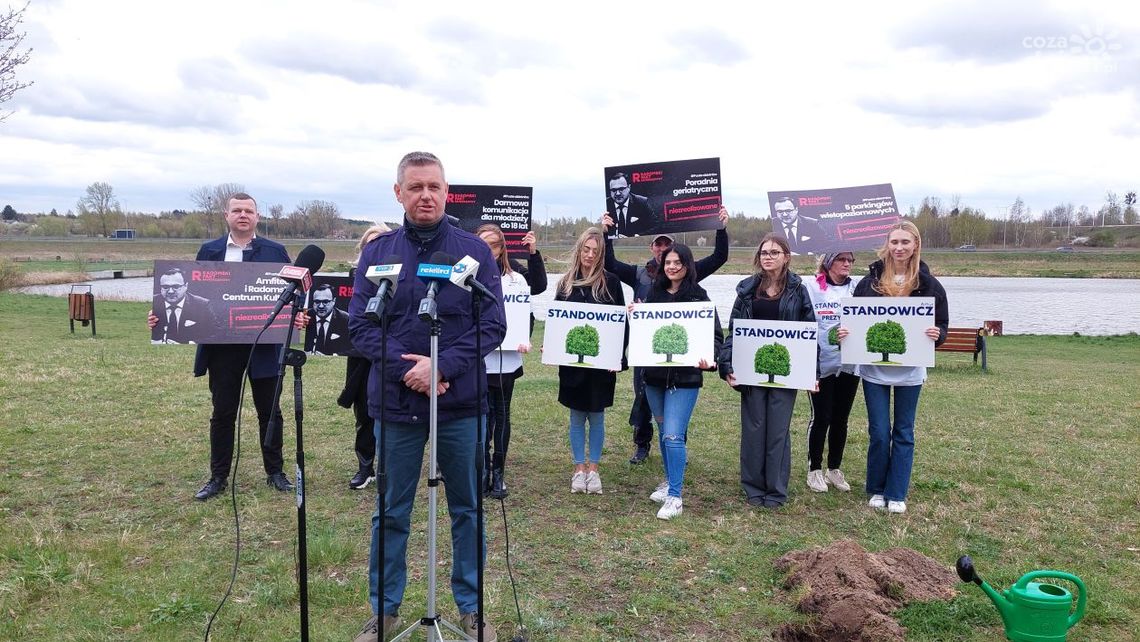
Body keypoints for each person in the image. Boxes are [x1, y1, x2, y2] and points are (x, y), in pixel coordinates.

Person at [348, 152, 504, 642]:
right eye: (415, 187)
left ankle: (471, 608)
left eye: (433, 187)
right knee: (391, 511)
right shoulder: (377, 253)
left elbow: (493, 323)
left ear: (446, 191)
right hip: (396, 404)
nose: (425, 196)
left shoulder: (472, 251)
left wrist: (443, 367)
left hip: (460, 403)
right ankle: (385, 612)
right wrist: (411, 371)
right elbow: (360, 327)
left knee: (467, 508)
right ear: (399, 192)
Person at [146, 193, 301, 501]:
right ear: (226, 215)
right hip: (222, 348)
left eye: (249, 211)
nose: (243, 215)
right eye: (237, 210)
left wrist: (299, 316)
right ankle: (218, 476)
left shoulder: (276, 251)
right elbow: (193, 296)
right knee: (222, 412)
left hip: (264, 344)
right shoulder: (210, 250)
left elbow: (292, 294)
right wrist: (159, 316)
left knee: (270, 412)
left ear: (257, 216)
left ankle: (275, 472)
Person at [602, 206, 729, 464]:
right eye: (658, 246)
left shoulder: (686, 272)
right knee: (643, 399)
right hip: (648, 354)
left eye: (667, 246)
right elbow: (610, 264)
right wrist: (607, 234)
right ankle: (642, 444)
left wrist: (721, 228)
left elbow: (718, 257)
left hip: (682, 360)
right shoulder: (639, 273)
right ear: (652, 249)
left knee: (674, 411)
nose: (663, 251)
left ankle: (676, 445)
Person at [836, 221, 948, 515]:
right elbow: (851, 321)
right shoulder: (868, 283)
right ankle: (876, 488)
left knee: (903, 432)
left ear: (915, 245)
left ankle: (896, 492)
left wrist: (938, 335)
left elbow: (942, 323)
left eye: (905, 242)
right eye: (894, 242)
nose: (899, 248)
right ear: (887, 244)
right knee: (879, 432)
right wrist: (844, 333)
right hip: (873, 371)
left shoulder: (929, 284)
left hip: (910, 371)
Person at [718, 233, 816, 508]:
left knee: (778, 431)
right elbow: (733, 331)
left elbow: (810, 332)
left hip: (787, 372)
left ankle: (775, 490)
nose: (768, 257)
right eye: (764, 252)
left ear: (786, 257)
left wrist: (813, 372)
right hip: (750, 372)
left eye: (774, 252)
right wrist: (726, 366)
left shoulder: (798, 290)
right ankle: (752, 488)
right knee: (753, 429)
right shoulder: (746, 290)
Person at [639, 243, 722, 519]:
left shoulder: (699, 297)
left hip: (684, 379)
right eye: (668, 262)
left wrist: (710, 360)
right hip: (654, 377)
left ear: (687, 265)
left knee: (674, 434)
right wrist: (635, 316)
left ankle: (675, 496)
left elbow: (716, 338)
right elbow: (645, 333)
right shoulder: (655, 293)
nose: (672, 267)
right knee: (662, 429)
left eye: (677, 262)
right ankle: (668, 481)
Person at [476, 223, 548, 499]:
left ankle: (499, 472)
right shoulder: (468, 272)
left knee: (502, 413)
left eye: (494, 244)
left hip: (507, 358)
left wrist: (533, 253)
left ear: (502, 247)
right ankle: (481, 470)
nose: (489, 249)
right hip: (479, 357)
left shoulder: (515, 275)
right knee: (481, 416)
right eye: (483, 243)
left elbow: (539, 286)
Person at [555, 226, 626, 495]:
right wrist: (552, 347)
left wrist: (618, 356)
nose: (589, 255)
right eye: (586, 249)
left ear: (601, 254)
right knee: (576, 416)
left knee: (596, 416)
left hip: (602, 365)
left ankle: (593, 470)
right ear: (579, 249)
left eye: (595, 251)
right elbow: (558, 322)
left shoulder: (611, 282)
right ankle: (577, 469)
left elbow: (622, 322)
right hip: (573, 363)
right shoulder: (565, 283)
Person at [337, 224, 391, 490]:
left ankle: (389, 466)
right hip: (360, 354)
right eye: (370, 243)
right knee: (363, 411)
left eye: (380, 241)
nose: (374, 247)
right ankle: (365, 465)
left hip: (391, 350)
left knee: (390, 410)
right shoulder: (354, 275)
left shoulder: (401, 276)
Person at [804, 251, 861, 493]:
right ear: (828, 262)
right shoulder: (811, 286)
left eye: (850, 260)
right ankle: (814, 469)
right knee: (822, 417)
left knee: (841, 419)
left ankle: (834, 468)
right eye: (841, 259)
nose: (847, 264)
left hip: (850, 363)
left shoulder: (858, 286)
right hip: (821, 363)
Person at [150, 267, 215, 344]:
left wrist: (191, 343)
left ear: (186, 286)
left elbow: (217, 333)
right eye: (165, 287)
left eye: (176, 287)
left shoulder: (202, 305)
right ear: (161, 288)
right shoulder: (154, 302)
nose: (170, 291)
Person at [606, 171, 657, 238]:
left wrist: (638, 236)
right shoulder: (606, 205)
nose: (618, 193)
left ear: (629, 187)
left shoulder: (642, 203)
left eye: (621, 189)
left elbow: (656, 226)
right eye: (614, 190)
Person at [305, 283, 351, 355]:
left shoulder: (345, 319)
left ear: (334, 301)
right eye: (317, 302)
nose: (321, 306)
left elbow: (354, 348)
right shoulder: (307, 316)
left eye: (325, 302)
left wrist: (334, 355)